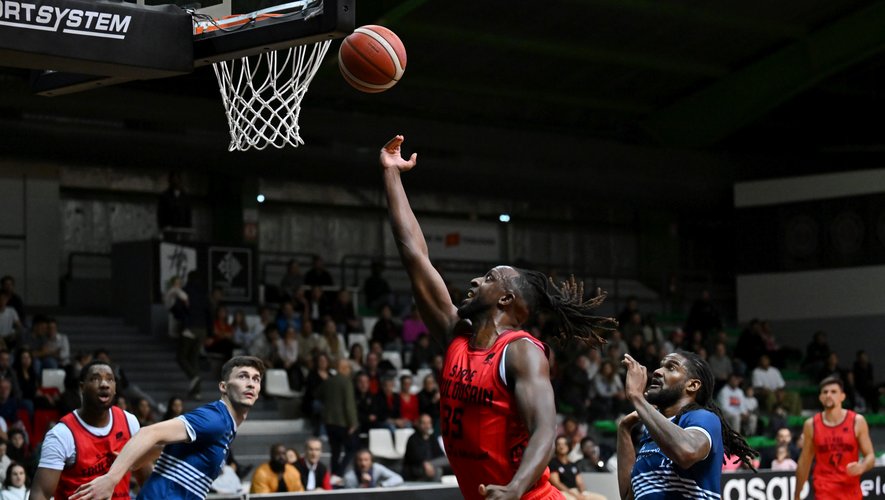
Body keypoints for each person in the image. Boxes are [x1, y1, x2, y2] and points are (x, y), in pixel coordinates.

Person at [380, 135, 614, 500]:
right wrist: (392, 175)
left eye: (488, 278)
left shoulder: (521, 352)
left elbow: (544, 430)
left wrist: (514, 489)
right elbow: (414, 255)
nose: (475, 280)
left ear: (506, 298)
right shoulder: (456, 333)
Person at [69, 356, 265, 500]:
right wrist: (110, 479)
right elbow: (150, 432)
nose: (250, 383)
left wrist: (131, 463)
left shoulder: (226, 426)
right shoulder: (215, 419)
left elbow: (160, 448)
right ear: (223, 386)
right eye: (243, 376)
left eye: (256, 379)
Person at [617, 352, 755, 500]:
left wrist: (637, 397)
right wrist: (624, 428)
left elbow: (687, 453)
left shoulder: (703, 417)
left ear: (692, 385)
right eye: (661, 366)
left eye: (671, 367)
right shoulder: (652, 435)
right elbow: (627, 498)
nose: (657, 371)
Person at [31, 360, 150, 500]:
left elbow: (146, 478)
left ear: (115, 388)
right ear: (82, 387)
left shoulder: (129, 422)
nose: (104, 384)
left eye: (110, 379)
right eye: (95, 379)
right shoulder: (62, 434)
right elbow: (40, 494)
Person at [793, 376, 875, 500]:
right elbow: (804, 462)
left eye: (833, 392)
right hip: (824, 490)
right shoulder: (811, 425)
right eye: (825, 392)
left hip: (851, 491)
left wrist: (862, 466)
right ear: (820, 398)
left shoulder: (857, 421)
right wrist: (797, 494)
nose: (829, 395)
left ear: (842, 396)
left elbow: (870, 456)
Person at [548, 436, 599, 500]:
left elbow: (580, 482)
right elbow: (556, 483)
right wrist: (574, 494)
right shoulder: (552, 463)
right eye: (559, 444)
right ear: (555, 447)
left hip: (576, 491)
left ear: (569, 446)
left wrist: (584, 493)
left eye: (564, 444)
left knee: (601, 498)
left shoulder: (573, 464)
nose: (561, 446)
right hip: (561, 492)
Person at [403, 414, 448, 481]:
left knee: (449, 460)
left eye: (429, 423)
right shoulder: (413, 439)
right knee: (438, 470)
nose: (427, 426)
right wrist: (425, 464)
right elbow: (414, 458)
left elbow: (439, 454)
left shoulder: (432, 438)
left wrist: (429, 464)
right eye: (424, 423)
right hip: (417, 467)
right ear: (419, 424)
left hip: (431, 464)